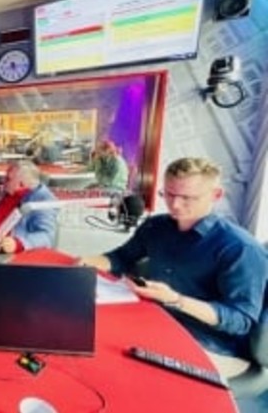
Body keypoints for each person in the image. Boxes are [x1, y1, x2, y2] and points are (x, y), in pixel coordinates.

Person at [81, 157, 268, 378]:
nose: (175, 205)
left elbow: (240, 321)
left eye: (187, 198)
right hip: (158, 323)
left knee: (126, 373)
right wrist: (87, 261)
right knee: (92, 340)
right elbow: (121, 258)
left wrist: (175, 300)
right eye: (169, 194)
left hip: (212, 345)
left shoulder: (240, 248)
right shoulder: (156, 226)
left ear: (216, 195)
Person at [0, 160, 58, 253]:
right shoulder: (6, 191)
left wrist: (18, 244)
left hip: (9, 254)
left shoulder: (42, 200)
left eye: (8, 179)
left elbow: (47, 236)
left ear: (21, 184)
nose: (3, 181)